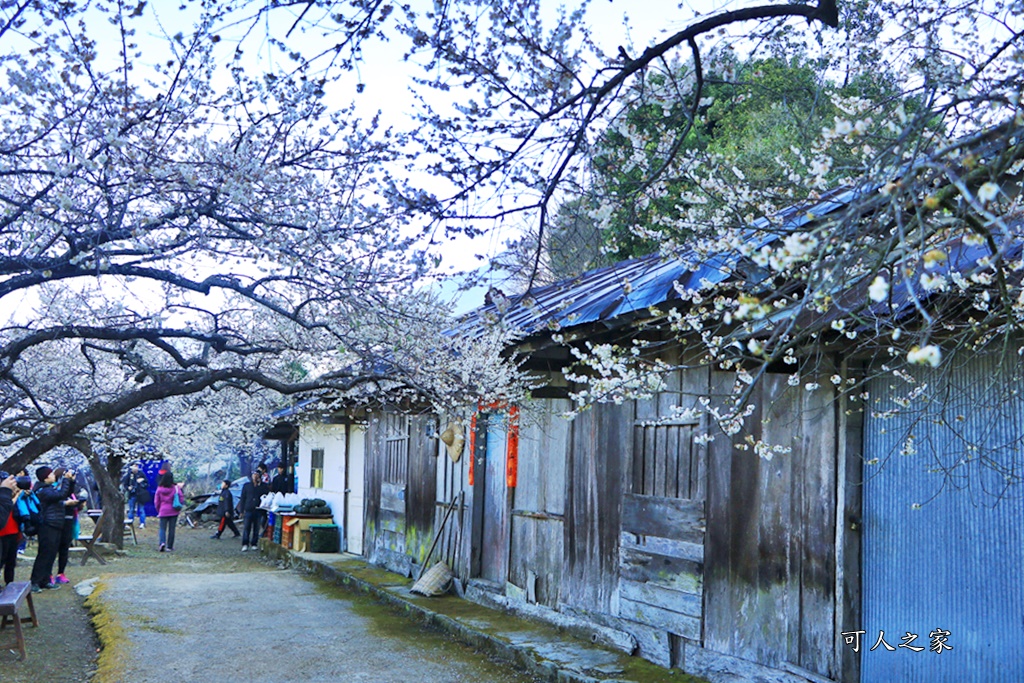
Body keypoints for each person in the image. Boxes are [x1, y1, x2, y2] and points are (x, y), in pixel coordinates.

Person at [30, 466, 73, 593]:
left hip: (56, 524)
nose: (54, 476)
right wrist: (65, 480)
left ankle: (45, 580)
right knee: (44, 554)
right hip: (47, 524)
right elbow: (61, 494)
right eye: (51, 474)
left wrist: (71, 481)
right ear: (45, 477)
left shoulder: (49, 489)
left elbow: (65, 493)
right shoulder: (42, 490)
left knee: (51, 554)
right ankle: (35, 581)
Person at [52, 468, 84, 585]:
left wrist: (72, 482)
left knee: (64, 548)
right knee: (53, 549)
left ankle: (61, 573)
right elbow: (60, 497)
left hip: (69, 521)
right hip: (57, 522)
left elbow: (69, 493)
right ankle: (48, 574)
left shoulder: (68, 489)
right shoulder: (53, 489)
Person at [153, 471, 184, 552]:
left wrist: (158, 509)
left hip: (163, 510)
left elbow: (156, 501)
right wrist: (179, 507)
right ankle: (169, 546)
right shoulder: (175, 488)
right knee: (171, 529)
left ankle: (162, 543)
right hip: (174, 511)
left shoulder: (159, 488)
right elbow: (181, 498)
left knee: (162, 528)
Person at [238, 470, 268, 552]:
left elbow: (266, 496)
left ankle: (254, 543)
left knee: (256, 528)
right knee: (247, 527)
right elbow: (243, 498)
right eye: (254, 475)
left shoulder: (263, 486)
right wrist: (241, 511)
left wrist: (259, 485)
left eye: (257, 475)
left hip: (258, 510)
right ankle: (245, 543)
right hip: (248, 509)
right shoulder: (247, 486)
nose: (255, 476)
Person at [0, 474, 19, 587]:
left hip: (13, 530)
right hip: (3, 532)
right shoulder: (4, 496)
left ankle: (10, 583)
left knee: (11, 561)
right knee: (2, 560)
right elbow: (7, 506)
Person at [121, 462, 149, 529]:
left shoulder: (141, 474)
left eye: (136, 466)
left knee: (141, 509)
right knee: (131, 509)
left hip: (140, 494)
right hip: (132, 494)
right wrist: (128, 488)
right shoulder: (129, 475)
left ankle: (142, 523)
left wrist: (141, 483)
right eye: (134, 466)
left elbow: (146, 483)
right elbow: (125, 484)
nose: (135, 467)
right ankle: (130, 522)